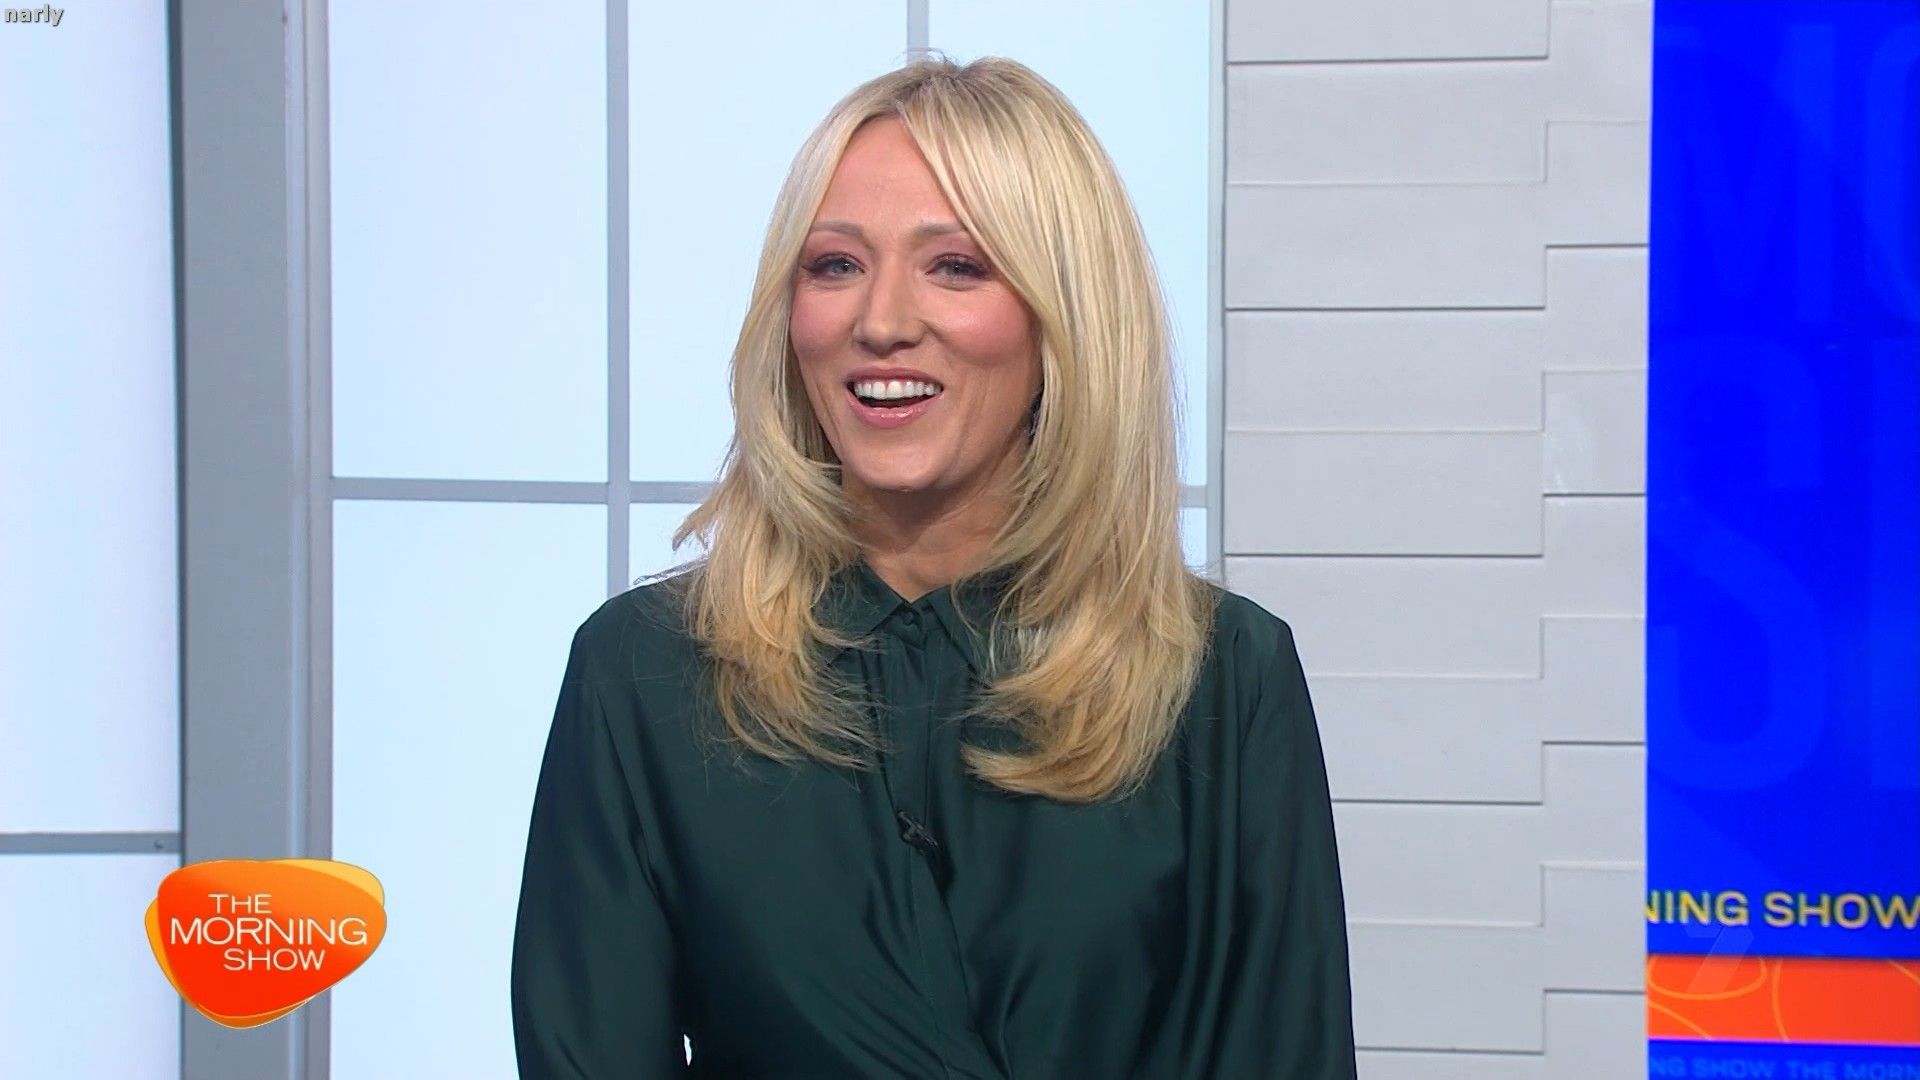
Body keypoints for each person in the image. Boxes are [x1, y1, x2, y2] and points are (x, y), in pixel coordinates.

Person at [510, 53, 1356, 1079]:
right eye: (834, 266)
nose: (880, 322)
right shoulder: (644, 674)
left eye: (954, 266)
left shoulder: (1220, 678)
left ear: (1065, 316)